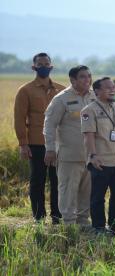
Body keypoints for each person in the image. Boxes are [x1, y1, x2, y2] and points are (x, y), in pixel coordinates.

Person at [14, 52, 64, 224]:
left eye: (47, 63)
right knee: (38, 180)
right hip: (36, 142)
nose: (44, 67)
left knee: (58, 180)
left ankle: (58, 216)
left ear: (51, 66)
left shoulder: (61, 90)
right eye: (40, 64)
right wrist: (23, 144)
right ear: (34, 67)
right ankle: (39, 217)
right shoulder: (25, 90)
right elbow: (19, 118)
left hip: (58, 143)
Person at [43, 65, 95, 226]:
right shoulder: (61, 99)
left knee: (87, 193)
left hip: (91, 157)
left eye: (89, 76)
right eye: (82, 77)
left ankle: (83, 224)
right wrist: (50, 149)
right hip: (69, 156)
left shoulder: (95, 97)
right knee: (68, 192)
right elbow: (49, 125)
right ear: (72, 80)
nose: (87, 80)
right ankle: (68, 225)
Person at [81, 77, 115, 234]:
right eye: (107, 88)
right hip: (101, 162)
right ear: (96, 91)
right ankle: (98, 227)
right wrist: (93, 155)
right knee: (98, 198)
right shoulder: (89, 110)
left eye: (113, 87)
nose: (112, 90)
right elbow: (88, 136)